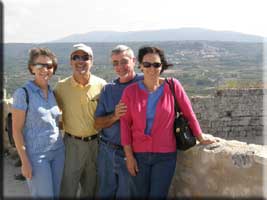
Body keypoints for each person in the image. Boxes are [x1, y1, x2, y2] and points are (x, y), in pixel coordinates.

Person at [120, 46, 216, 199]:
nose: (152, 68)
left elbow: (189, 114)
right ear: (140, 66)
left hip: (165, 155)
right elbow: (125, 124)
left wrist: (200, 137)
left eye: (156, 64)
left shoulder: (172, 86)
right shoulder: (130, 92)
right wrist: (129, 156)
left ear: (162, 66)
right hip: (139, 155)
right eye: (147, 64)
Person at [54, 43, 106, 198]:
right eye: (76, 57)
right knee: (67, 187)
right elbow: (52, 115)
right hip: (71, 145)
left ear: (92, 61)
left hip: (96, 144)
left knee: (91, 187)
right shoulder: (61, 87)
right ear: (70, 61)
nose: (80, 61)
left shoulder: (102, 85)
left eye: (85, 57)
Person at [12, 47, 65, 198]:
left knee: (55, 194)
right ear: (31, 67)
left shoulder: (53, 93)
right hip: (36, 155)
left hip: (58, 152)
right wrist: (24, 161)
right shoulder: (23, 94)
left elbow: (53, 122)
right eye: (39, 65)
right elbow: (16, 130)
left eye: (49, 66)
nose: (45, 69)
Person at [94, 45, 143, 199]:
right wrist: (115, 115)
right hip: (107, 152)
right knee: (105, 193)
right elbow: (97, 123)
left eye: (124, 61)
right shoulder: (109, 89)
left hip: (133, 153)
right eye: (115, 63)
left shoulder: (145, 82)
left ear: (134, 61)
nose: (120, 67)